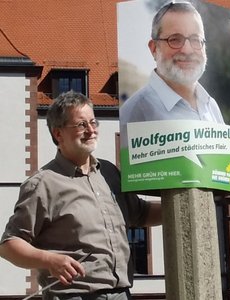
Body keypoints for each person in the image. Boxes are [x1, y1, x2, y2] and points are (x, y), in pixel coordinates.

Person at [0, 91, 162, 300]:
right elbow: (9, 245)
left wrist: (188, 202)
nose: (91, 130)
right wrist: (49, 260)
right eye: (81, 125)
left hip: (122, 293)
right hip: (74, 295)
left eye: (93, 122)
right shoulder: (43, 184)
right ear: (58, 134)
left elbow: (141, 213)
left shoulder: (109, 173)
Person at [119, 1, 224, 126]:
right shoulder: (134, 112)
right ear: (154, 49)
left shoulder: (211, 106)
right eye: (174, 40)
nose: (187, 50)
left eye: (196, 39)